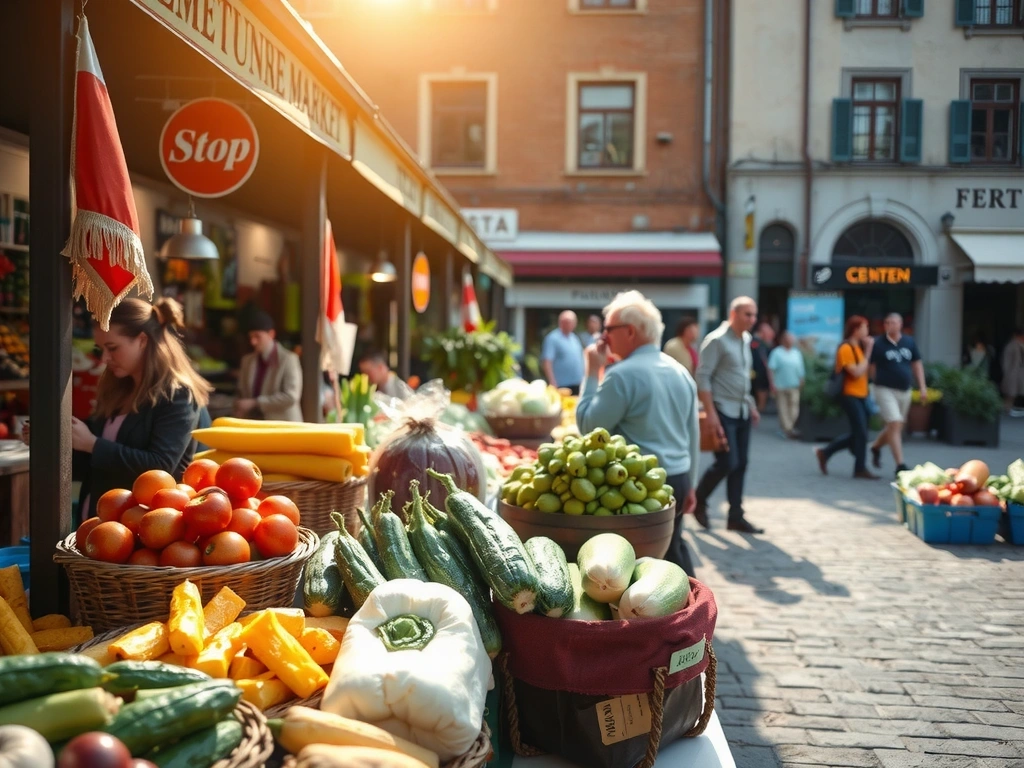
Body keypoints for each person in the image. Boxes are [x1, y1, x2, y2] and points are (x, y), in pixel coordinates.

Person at [576, 291, 700, 575]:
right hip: (678, 478)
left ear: (629, 331)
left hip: (635, 487)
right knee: (672, 551)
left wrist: (592, 371)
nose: (603, 337)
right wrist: (691, 482)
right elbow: (692, 433)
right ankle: (692, 610)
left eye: (608, 329)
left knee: (639, 568)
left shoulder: (621, 375)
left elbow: (587, 427)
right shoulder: (680, 371)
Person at [60, 298, 212, 520]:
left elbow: (160, 466)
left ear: (142, 340)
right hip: (99, 521)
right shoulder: (118, 387)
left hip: (142, 528)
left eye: (113, 348)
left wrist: (92, 444)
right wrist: (60, 439)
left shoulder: (177, 396)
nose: (104, 359)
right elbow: (95, 461)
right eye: (100, 349)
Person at [693, 297, 763, 534]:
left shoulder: (746, 339)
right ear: (733, 314)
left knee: (741, 464)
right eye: (747, 314)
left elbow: (742, 376)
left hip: (741, 409)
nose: (752, 320)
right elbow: (702, 378)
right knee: (727, 462)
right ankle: (699, 499)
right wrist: (710, 415)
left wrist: (751, 405)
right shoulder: (716, 340)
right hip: (722, 410)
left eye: (754, 315)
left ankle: (735, 517)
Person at [814, 316, 878, 479]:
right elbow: (856, 372)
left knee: (859, 433)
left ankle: (826, 452)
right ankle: (859, 468)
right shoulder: (846, 348)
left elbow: (867, 371)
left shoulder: (858, 348)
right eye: (865, 327)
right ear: (856, 330)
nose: (867, 331)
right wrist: (869, 351)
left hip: (862, 395)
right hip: (849, 394)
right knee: (861, 433)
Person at [868, 313, 927, 475]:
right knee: (894, 422)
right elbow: (871, 366)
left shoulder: (909, 342)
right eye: (887, 322)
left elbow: (917, 364)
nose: (890, 325)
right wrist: (875, 382)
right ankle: (900, 465)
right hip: (884, 388)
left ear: (900, 324)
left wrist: (922, 386)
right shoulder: (878, 343)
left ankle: (876, 446)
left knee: (896, 426)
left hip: (905, 390)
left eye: (893, 322)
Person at [235, 310, 303, 421]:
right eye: (251, 337)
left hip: (283, 426)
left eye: (257, 336)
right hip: (254, 426)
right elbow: (241, 392)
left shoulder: (288, 359)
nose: (253, 342)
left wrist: (255, 403)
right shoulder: (247, 361)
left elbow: (291, 397)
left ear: (271, 334)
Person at [768, 331, 805, 439]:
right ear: (784, 340)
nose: (791, 341)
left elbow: (800, 368)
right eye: (789, 339)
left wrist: (802, 378)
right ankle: (788, 429)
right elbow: (771, 369)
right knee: (783, 408)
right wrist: (772, 383)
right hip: (780, 385)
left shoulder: (796, 353)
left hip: (794, 384)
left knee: (794, 408)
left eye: (792, 339)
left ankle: (788, 428)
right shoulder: (777, 352)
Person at [541, 310, 585, 395]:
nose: (569, 324)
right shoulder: (552, 338)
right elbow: (547, 361)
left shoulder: (574, 338)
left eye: (572, 322)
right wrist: (552, 381)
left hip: (577, 384)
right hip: (561, 385)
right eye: (566, 322)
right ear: (560, 322)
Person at [751, 322, 775, 413]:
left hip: (762, 375)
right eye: (769, 333)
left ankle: (760, 409)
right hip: (757, 374)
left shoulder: (765, 344)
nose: (771, 335)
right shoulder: (755, 342)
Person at [1001, 329, 1024, 417]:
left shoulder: (1018, 345)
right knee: (1011, 393)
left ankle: (1007, 408)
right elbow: (1006, 362)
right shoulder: (1012, 345)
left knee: (1012, 393)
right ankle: (1006, 408)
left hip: (1016, 373)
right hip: (1013, 373)